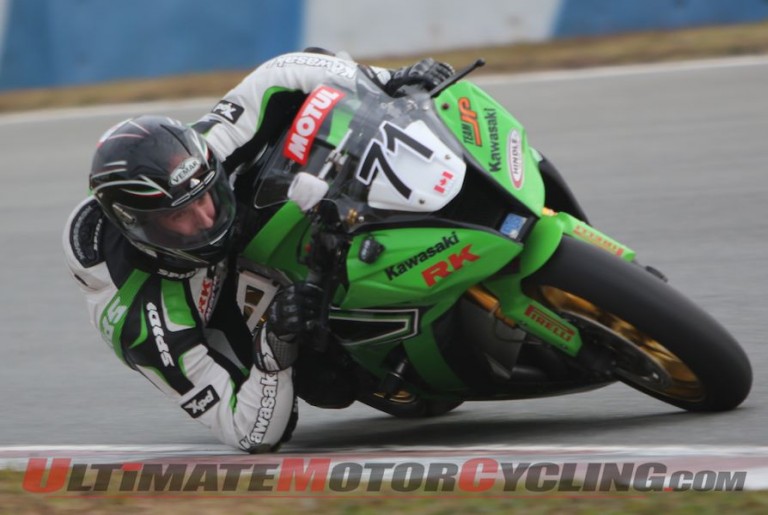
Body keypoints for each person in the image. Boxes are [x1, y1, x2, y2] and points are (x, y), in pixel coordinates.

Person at [62, 49, 454, 453]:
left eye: (205, 195)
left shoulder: (198, 156)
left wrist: (384, 80)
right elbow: (247, 431)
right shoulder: (142, 321)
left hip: (233, 240)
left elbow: (281, 73)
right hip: (222, 316)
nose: (206, 217)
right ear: (140, 228)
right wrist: (274, 344)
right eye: (181, 215)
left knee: (322, 99)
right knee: (325, 384)